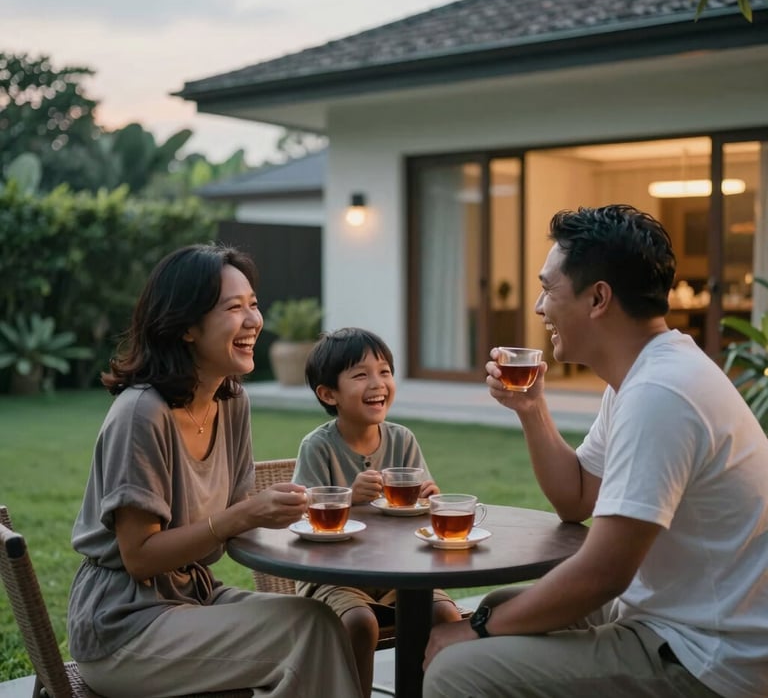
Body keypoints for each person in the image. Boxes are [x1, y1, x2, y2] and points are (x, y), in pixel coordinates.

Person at [423, 204, 768, 698]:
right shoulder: (644, 375)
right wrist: (532, 409)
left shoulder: (661, 394)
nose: (539, 307)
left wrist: (475, 631)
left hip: (707, 657)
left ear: (599, 298)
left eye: (548, 290)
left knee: (456, 670)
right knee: (497, 605)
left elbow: (604, 572)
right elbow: (577, 497)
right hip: (671, 615)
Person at [67, 244, 362, 698]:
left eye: (253, 304)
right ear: (187, 326)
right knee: (305, 633)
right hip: (123, 625)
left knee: (321, 622)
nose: (253, 321)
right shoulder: (141, 414)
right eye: (233, 308)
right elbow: (140, 557)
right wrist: (242, 516)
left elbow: (238, 514)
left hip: (192, 596)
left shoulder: (231, 400)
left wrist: (288, 513)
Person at [293, 327, 462, 697]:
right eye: (361, 375)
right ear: (328, 394)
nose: (377, 383)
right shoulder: (317, 448)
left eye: (385, 371)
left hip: (400, 573)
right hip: (333, 577)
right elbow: (300, 520)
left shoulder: (402, 440)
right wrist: (349, 499)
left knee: (447, 617)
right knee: (360, 623)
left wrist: (430, 501)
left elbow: (421, 516)